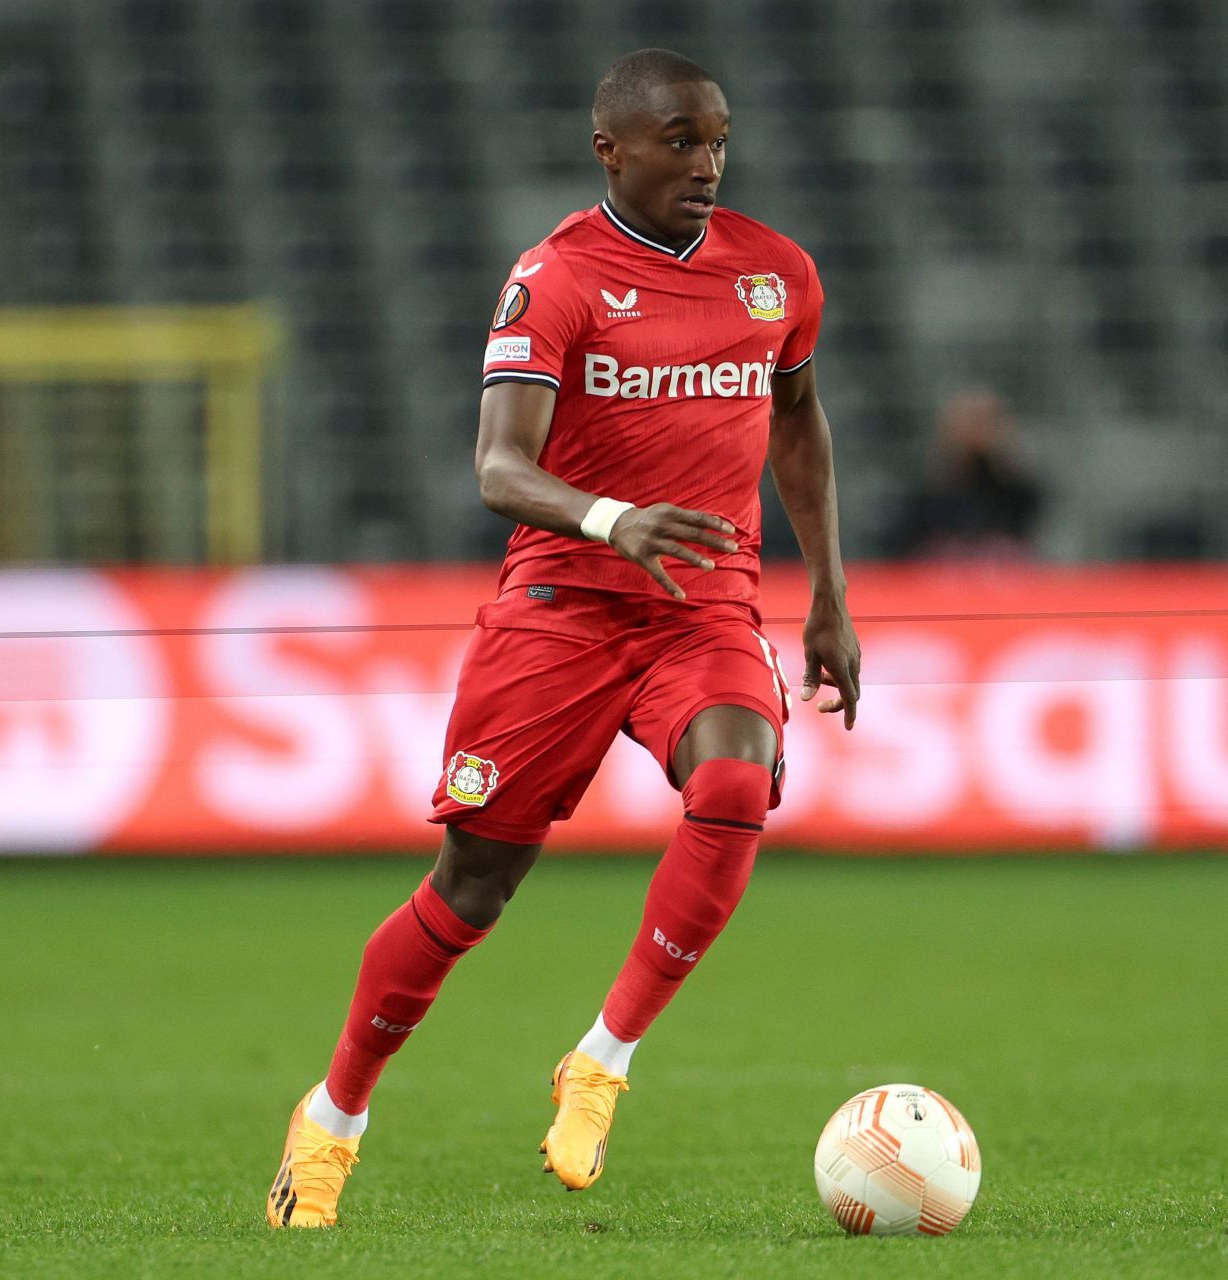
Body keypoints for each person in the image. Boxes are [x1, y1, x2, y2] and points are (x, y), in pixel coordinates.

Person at [265, 49, 861, 1228]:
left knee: (738, 776)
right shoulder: (557, 278)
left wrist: (829, 591)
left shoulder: (775, 274)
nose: (707, 164)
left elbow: (798, 419)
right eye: (681, 141)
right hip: (561, 613)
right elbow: (497, 466)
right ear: (613, 150)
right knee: (473, 889)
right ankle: (332, 1115)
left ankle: (602, 1059)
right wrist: (610, 518)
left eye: (719, 139)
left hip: (704, 606)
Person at [886, 389, 1043, 560]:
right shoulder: (928, 490)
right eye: (972, 422)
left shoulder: (1016, 490)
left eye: (986, 421)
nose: (978, 431)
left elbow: (1024, 525)